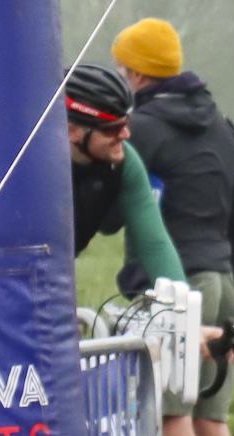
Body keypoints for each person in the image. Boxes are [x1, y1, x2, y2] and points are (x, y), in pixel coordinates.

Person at [111, 17, 234, 436]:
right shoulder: (220, 124)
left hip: (175, 290)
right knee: (211, 421)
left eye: (122, 70)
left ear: (137, 74)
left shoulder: (138, 128)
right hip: (224, 287)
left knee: (170, 418)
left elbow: (114, 210)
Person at [64, 64, 188, 288]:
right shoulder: (33, 164)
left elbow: (155, 244)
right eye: (112, 128)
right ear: (72, 131)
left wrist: (181, 300)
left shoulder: (124, 161)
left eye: (126, 122)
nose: (125, 134)